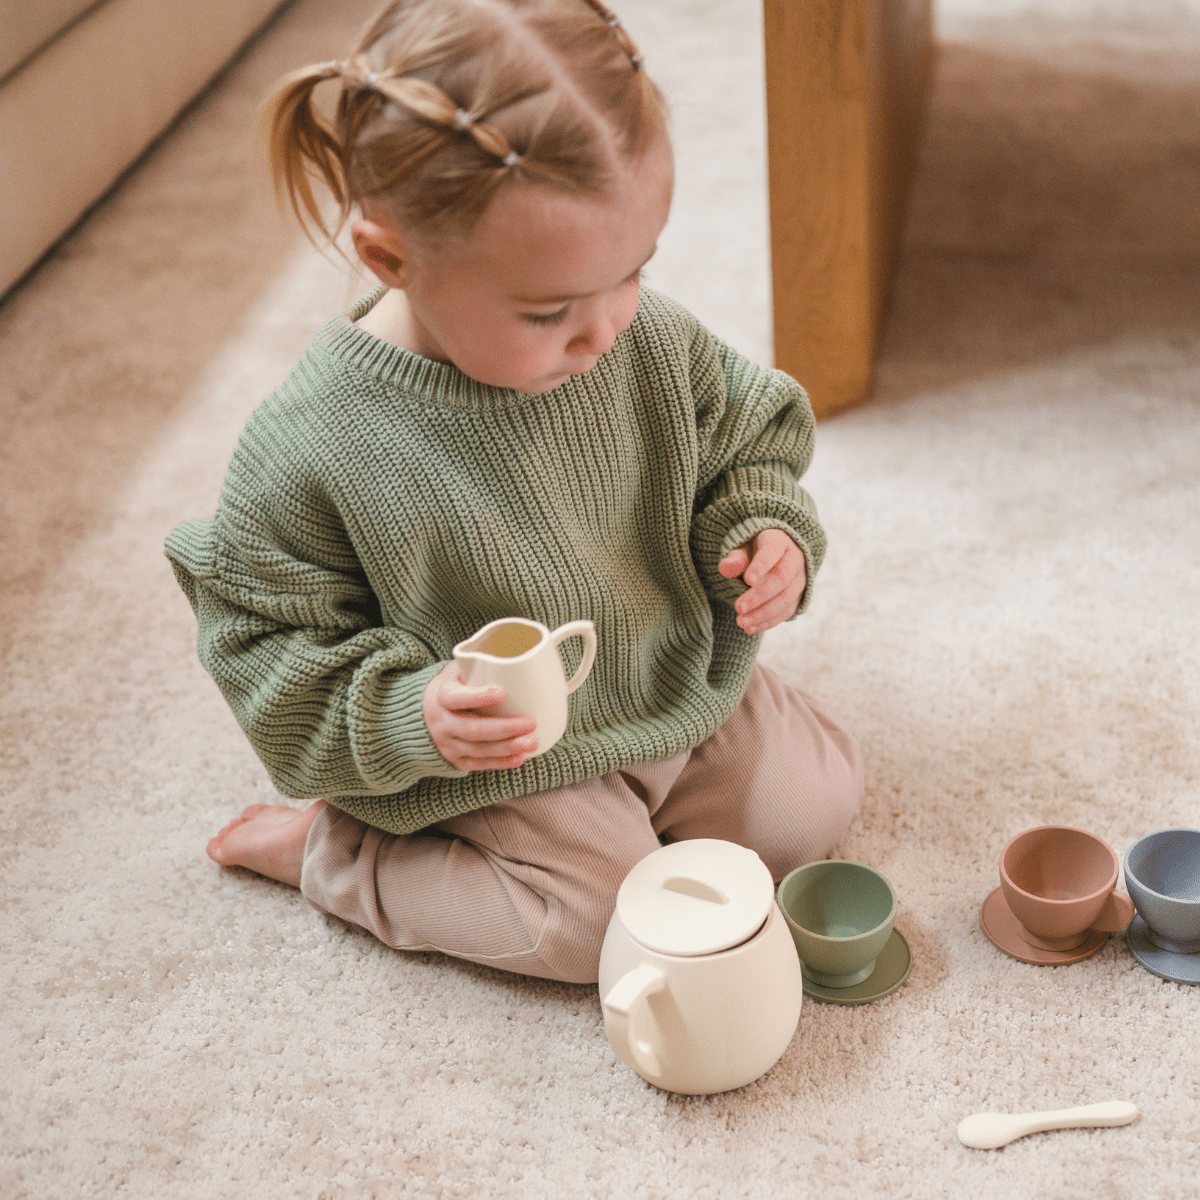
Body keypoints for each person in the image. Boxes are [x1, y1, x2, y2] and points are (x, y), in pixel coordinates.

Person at [166, 0, 862, 985]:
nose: (608, 328)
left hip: (661, 673)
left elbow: (744, 440)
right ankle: (335, 856)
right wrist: (418, 716)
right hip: (493, 758)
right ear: (391, 259)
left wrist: (764, 531)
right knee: (605, 935)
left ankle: (643, 796)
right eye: (549, 311)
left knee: (812, 807)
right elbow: (266, 649)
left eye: (634, 272)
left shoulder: (639, 336)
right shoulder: (314, 444)